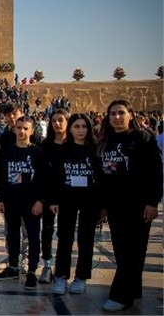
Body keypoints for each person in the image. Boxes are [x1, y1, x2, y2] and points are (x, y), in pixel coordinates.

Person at [97, 100, 162, 312]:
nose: (116, 117)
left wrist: (153, 202)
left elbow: (155, 172)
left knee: (133, 250)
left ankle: (120, 295)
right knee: (122, 249)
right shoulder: (106, 140)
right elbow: (103, 177)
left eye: (121, 113)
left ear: (130, 115)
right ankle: (133, 290)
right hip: (116, 205)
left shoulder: (142, 138)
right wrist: (103, 205)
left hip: (138, 204)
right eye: (113, 113)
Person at [49, 113, 102, 295]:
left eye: (84, 126)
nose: (81, 130)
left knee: (86, 239)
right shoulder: (62, 150)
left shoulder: (96, 150)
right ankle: (61, 276)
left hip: (90, 199)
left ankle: (81, 277)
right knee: (65, 238)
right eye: (76, 126)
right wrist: (54, 199)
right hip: (67, 198)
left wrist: (102, 205)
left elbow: (102, 178)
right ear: (70, 129)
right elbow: (55, 176)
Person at [0, 116, 46, 290]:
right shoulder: (7, 152)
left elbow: (44, 179)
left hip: (31, 203)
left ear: (31, 131)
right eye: (19, 128)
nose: (22, 131)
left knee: (32, 237)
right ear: (14, 129)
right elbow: (0, 177)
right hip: (11, 201)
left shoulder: (37, 152)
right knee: (12, 235)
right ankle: (14, 266)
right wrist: (0, 198)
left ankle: (31, 271)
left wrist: (40, 200)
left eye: (26, 128)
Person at [39, 109, 70, 283]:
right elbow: (43, 173)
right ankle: (47, 265)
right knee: (47, 230)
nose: (57, 124)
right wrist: (49, 199)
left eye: (61, 120)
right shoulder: (46, 145)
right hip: (49, 195)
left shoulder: (73, 144)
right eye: (54, 121)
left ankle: (62, 268)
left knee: (65, 233)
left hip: (67, 195)